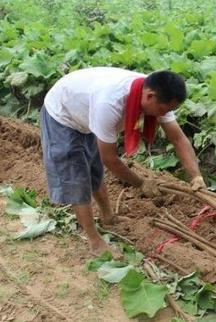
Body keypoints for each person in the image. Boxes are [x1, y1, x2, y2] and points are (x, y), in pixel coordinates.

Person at [41, 67, 206, 255]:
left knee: (94, 169)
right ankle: (95, 241)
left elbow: (178, 139)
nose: (163, 114)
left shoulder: (157, 94)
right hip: (63, 114)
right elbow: (110, 159)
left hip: (86, 110)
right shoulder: (110, 103)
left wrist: (196, 176)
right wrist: (141, 183)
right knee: (77, 177)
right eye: (163, 110)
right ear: (150, 96)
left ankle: (108, 217)